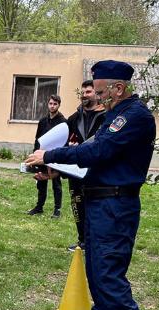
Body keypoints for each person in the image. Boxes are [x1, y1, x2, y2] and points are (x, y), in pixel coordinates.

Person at [24, 60, 155, 310]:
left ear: (118, 88)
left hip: (115, 206)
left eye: (100, 91)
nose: (95, 97)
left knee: (109, 271)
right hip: (98, 202)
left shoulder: (133, 118)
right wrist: (56, 172)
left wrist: (50, 155)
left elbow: (95, 153)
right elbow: (94, 161)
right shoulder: (114, 116)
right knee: (95, 270)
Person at [64, 80, 106, 251]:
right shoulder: (73, 118)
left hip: (96, 171)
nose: (84, 95)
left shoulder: (106, 117)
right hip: (75, 170)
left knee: (94, 207)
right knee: (78, 206)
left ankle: (95, 241)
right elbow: (64, 142)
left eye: (88, 91)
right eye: (83, 92)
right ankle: (82, 240)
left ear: (96, 94)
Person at [27, 95, 65, 218]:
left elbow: (64, 140)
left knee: (56, 183)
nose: (52, 106)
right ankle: (39, 207)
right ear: (48, 104)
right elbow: (37, 139)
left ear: (59, 105)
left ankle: (57, 210)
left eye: (55, 104)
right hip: (41, 156)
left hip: (55, 156)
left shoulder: (63, 122)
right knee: (41, 181)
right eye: (50, 103)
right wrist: (34, 154)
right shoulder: (43, 121)